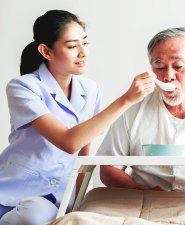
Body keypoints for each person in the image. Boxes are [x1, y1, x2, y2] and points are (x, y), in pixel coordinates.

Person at [0, 10, 155, 225]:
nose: (83, 53)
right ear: (46, 51)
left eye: (85, 43)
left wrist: (80, 200)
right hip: (16, 192)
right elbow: (69, 142)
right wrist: (127, 99)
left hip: (61, 196)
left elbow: (83, 151)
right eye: (73, 46)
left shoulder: (90, 90)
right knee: (35, 216)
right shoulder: (23, 87)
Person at [97, 27, 185, 193]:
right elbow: (108, 168)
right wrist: (143, 191)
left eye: (178, 66)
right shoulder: (133, 108)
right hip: (144, 198)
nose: (168, 76)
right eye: (160, 67)